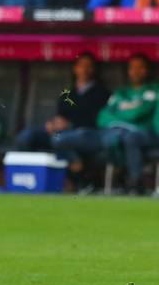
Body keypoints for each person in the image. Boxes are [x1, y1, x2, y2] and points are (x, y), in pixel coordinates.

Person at [15, 51, 110, 193]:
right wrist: (53, 124)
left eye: (88, 66)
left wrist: (69, 125)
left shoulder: (102, 93)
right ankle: (37, 179)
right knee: (26, 137)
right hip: (61, 134)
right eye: (81, 65)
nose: (84, 69)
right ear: (75, 68)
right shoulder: (68, 93)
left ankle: (79, 179)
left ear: (94, 69)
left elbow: (96, 120)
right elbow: (60, 115)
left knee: (60, 141)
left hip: (85, 135)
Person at [99, 54, 158, 195]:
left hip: (146, 134)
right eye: (132, 68)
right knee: (109, 138)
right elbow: (102, 117)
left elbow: (138, 114)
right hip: (119, 133)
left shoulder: (152, 90)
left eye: (140, 68)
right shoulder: (121, 93)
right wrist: (127, 115)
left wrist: (118, 116)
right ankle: (119, 179)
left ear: (147, 70)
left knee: (129, 137)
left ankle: (136, 183)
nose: (136, 71)